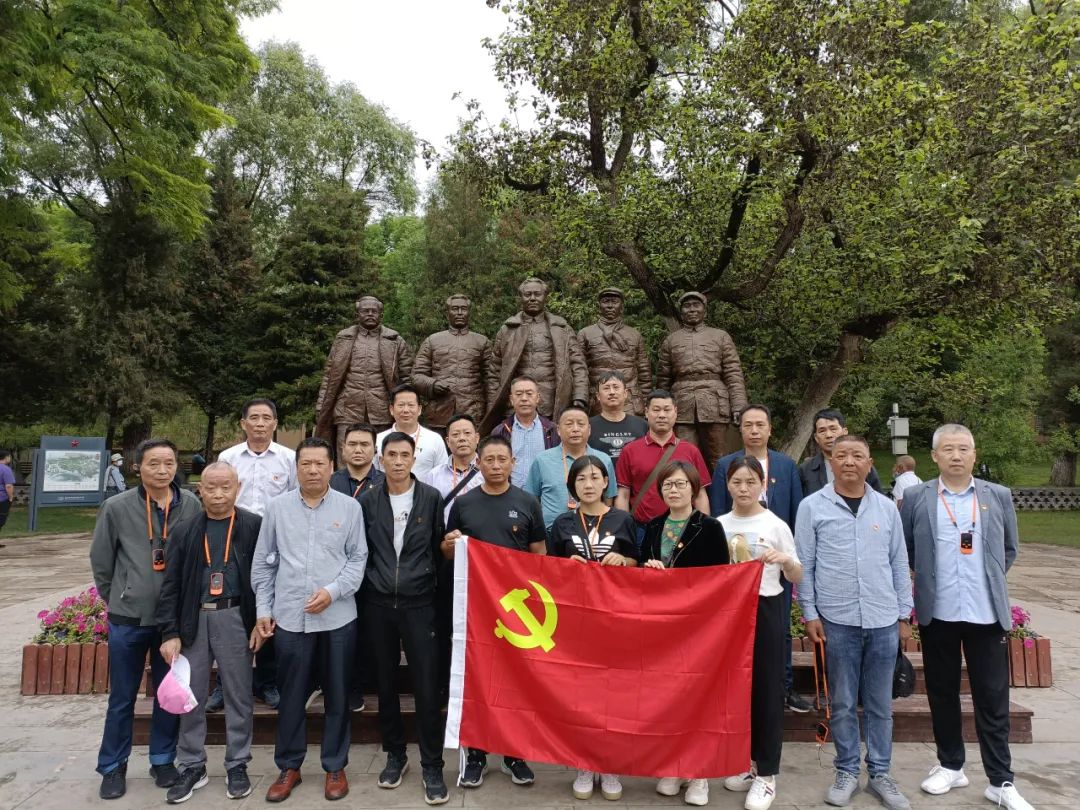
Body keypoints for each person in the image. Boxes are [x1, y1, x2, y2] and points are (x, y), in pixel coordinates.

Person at [900, 425, 1034, 810]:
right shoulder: (917, 497)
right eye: (948, 449)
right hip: (938, 613)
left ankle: (1001, 780)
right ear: (935, 456)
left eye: (963, 449)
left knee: (992, 697)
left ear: (974, 455)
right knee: (942, 693)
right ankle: (950, 765)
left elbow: (1009, 549)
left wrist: (985, 576)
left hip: (985, 612)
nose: (956, 456)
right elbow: (908, 549)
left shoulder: (998, 495)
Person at [795, 435, 913, 810]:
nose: (849, 461)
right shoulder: (812, 507)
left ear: (869, 464)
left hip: (882, 619)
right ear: (830, 461)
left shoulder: (886, 508)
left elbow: (899, 562)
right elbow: (804, 565)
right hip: (837, 620)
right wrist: (810, 613)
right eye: (841, 455)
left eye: (857, 455)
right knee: (843, 702)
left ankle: (880, 773)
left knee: (880, 704)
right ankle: (846, 770)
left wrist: (904, 614)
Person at [250, 437, 367, 803]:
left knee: (337, 694)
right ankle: (289, 766)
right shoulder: (278, 508)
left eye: (320, 464)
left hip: (338, 618)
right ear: (296, 468)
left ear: (332, 467)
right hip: (291, 618)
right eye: (306, 464)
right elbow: (263, 563)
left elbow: (358, 559)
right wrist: (263, 610)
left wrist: (333, 591)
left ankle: (335, 765)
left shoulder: (350, 508)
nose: (313, 470)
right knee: (291, 696)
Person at [89, 438, 203, 800]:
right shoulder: (117, 507)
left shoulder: (191, 504)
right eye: (154, 463)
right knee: (122, 697)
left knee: (168, 694)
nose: (162, 470)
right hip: (129, 618)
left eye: (169, 463)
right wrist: (122, 595)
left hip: (172, 623)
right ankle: (113, 766)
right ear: (138, 467)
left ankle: (162, 759)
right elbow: (102, 562)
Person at [442, 435, 546, 790]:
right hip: (476, 609)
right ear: (479, 463)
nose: (497, 466)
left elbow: (539, 555)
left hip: (518, 611)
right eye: (490, 460)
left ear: (513, 462)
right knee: (478, 680)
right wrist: (449, 544)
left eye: (503, 459)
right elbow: (447, 550)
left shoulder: (527, 502)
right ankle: (477, 754)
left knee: (515, 680)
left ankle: (514, 753)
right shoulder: (463, 504)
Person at [156, 462, 261, 803]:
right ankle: (192, 764)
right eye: (211, 487)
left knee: (239, 694)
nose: (218, 494)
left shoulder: (253, 526)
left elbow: (264, 578)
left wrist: (260, 620)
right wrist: (170, 632)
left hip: (235, 617)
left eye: (225, 487)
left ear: (238, 488)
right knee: (192, 695)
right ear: (200, 490)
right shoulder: (185, 530)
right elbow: (170, 585)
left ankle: (237, 763)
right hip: (194, 621)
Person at [359, 433, 449, 805]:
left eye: (405, 455)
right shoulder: (367, 501)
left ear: (414, 459)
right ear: (380, 460)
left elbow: (438, 549)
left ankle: (432, 764)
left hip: (419, 603)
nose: (398, 461)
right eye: (391, 455)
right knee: (385, 683)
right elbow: (362, 550)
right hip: (378, 603)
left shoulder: (431, 497)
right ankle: (395, 754)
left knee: (426, 686)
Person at [711, 404, 810, 713]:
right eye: (748, 425)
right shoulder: (726, 464)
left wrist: (787, 554)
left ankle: (784, 687)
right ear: (740, 429)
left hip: (775, 557)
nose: (754, 430)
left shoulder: (786, 465)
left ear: (770, 429)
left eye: (760, 425)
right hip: (736, 563)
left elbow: (794, 510)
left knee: (779, 629)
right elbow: (718, 510)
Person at [641, 460, 729, 807]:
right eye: (668, 485)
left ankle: (699, 775)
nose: (674, 490)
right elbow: (639, 574)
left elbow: (721, 578)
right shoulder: (653, 526)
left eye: (680, 484)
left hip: (699, 628)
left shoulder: (709, 527)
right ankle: (674, 766)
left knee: (697, 699)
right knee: (668, 699)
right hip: (661, 627)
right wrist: (649, 569)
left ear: (693, 488)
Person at [548, 454, 636, 802]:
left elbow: (638, 563)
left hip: (615, 618)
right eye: (581, 479)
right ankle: (584, 763)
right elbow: (548, 570)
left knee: (612, 692)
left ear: (606, 482)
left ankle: (609, 764)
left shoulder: (622, 519)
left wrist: (624, 560)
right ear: (572, 485)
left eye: (594, 477)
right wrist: (565, 566)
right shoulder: (562, 523)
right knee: (581, 695)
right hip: (576, 621)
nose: (588, 484)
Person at [718, 457, 802, 810]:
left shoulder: (776, 524)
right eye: (737, 482)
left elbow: (796, 574)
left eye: (751, 481)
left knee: (767, 690)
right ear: (727, 484)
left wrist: (785, 560)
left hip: (765, 610)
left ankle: (767, 774)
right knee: (736, 692)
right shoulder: (718, 525)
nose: (744, 488)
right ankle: (747, 764)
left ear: (762, 484)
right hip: (727, 615)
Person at [215, 397, 296, 711]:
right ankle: (224, 684)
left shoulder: (289, 459)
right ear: (243, 423)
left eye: (266, 418)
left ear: (275, 423)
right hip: (234, 540)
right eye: (254, 418)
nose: (260, 424)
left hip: (274, 541)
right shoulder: (228, 457)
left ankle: (267, 681)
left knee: (268, 608)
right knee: (232, 609)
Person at [421, 413, 485, 705]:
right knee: (445, 622)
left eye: (467, 433)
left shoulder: (488, 471)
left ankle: (477, 686)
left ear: (477, 438)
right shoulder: (433, 476)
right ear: (447, 441)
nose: (462, 439)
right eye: (455, 434)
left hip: (482, 562)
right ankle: (444, 687)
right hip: (444, 557)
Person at [656, 291, 748, 468]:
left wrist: (739, 407)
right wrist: (661, 409)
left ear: (705, 310)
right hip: (682, 406)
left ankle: (720, 487)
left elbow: (733, 374)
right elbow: (663, 380)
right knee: (682, 458)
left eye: (696, 305)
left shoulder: (721, 337)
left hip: (715, 405)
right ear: (681, 311)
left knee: (719, 459)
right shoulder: (671, 340)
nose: (692, 309)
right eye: (687, 306)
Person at [483, 277, 589, 429]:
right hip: (516, 404)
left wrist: (580, 396)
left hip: (552, 403)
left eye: (537, 294)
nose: (532, 298)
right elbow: (494, 371)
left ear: (545, 297)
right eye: (527, 294)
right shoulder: (507, 330)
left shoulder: (562, 328)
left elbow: (578, 365)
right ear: (521, 297)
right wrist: (493, 404)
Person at [314, 295, 414, 451]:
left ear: (381, 315)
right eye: (365, 311)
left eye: (374, 311)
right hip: (347, 410)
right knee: (346, 454)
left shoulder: (395, 340)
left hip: (382, 411)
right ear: (357, 315)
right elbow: (329, 376)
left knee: (382, 454)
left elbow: (407, 378)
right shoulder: (343, 338)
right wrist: (321, 404)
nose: (370, 314)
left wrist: (406, 405)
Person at [615, 390, 712, 543]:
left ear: (675, 412)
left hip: (683, 529)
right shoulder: (630, 450)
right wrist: (625, 530)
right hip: (641, 530)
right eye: (656, 410)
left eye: (667, 410)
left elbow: (700, 495)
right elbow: (623, 494)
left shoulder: (690, 451)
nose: (661, 415)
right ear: (646, 412)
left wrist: (703, 530)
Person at [524, 405, 617, 531]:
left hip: (593, 532)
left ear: (589, 429)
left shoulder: (603, 459)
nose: (575, 429)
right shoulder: (542, 460)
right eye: (569, 424)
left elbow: (608, 498)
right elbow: (531, 498)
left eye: (581, 424)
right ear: (558, 430)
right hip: (551, 532)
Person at [412, 294, 492, 429]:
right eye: (455, 309)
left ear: (469, 312)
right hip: (439, 412)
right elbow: (416, 376)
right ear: (447, 313)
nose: (459, 312)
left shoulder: (482, 342)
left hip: (473, 412)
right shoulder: (432, 341)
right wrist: (433, 384)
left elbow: (492, 379)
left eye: (463, 309)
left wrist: (490, 410)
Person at [578, 287, 652, 416]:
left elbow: (644, 371)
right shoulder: (585, 334)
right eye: (606, 301)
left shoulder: (634, 335)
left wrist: (646, 402)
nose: (610, 306)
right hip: (597, 401)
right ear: (599, 306)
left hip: (630, 401)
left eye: (614, 302)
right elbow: (579, 371)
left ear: (621, 306)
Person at [490, 375, 559, 487]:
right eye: (518, 394)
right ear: (511, 400)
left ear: (538, 398)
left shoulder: (552, 430)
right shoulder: (500, 431)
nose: (524, 398)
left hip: (543, 494)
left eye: (529, 393)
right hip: (511, 493)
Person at [798, 408, 883, 496]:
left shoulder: (861, 465)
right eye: (822, 431)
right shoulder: (806, 470)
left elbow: (878, 499)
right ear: (816, 437)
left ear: (844, 432)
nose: (828, 435)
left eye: (833, 429)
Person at [375, 384, 449, 479]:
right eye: (401, 405)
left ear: (419, 409)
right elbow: (373, 474)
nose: (406, 410)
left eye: (411, 405)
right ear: (392, 409)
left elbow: (443, 475)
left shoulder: (434, 439)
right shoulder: (378, 440)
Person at [588, 371, 648, 461]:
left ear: (625, 393)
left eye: (616, 387)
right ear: (598, 396)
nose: (612, 392)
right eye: (606, 388)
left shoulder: (642, 425)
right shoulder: (588, 426)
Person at [329, 423, 385, 500]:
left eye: (364, 444)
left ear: (375, 449)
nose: (358, 450)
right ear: (343, 448)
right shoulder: (329, 482)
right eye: (352, 444)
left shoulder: (386, 482)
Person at [0, 449, 14, 547]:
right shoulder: (6, 469)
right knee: (1, 520)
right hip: (2, 499)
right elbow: (8, 485)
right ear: (6, 457)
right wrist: (10, 497)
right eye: (9, 456)